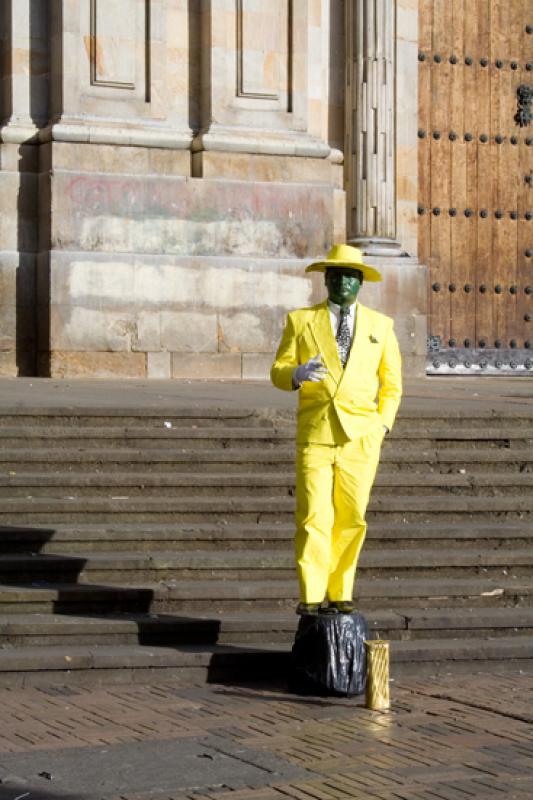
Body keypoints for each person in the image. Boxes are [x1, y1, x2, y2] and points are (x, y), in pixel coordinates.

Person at [270, 243, 402, 615]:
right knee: (313, 514)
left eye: (351, 276)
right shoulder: (301, 320)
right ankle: (311, 594)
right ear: (325, 279)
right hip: (317, 431)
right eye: (337, 275)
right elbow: (277, 369)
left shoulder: (381, 325)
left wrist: (382, 424)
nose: (343, 282)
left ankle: (341, 590)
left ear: (360, 283)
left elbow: (392, 384)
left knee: (352, 515)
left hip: (361, 435)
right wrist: (295, 375)